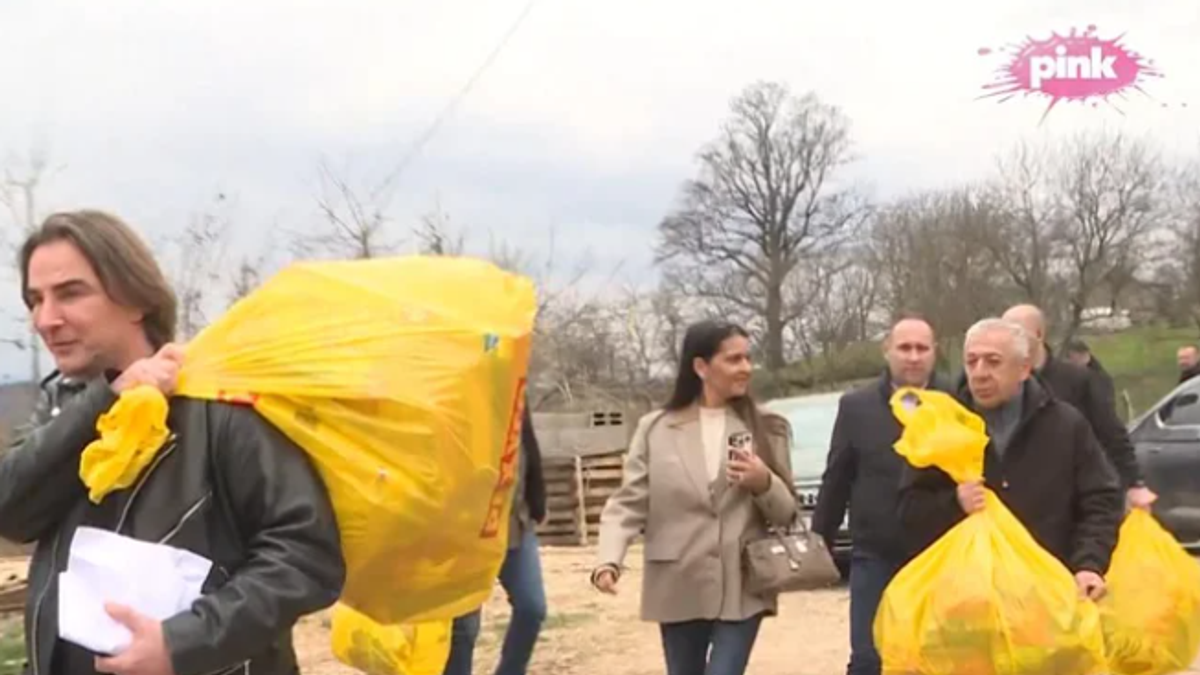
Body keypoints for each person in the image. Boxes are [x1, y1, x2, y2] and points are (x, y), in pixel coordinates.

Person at [0, 211, 345, 675]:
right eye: (34, 299)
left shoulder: (223, 403)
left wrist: (183, 644)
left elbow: (307, 556)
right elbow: (12, 511)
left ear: (136, 299)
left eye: (70, 293)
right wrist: (107, 399)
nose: (46, 319)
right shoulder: (64, 407)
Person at [590, 320, 796, 675]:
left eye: (748, 358)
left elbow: (787, 515)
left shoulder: (768, 427)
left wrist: (763, 482)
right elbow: (629, 502)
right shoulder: (655, 429)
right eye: (733, 359)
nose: (745, 368)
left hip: (743, 585)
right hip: (677, 582)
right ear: (701, 367)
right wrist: (609, 559)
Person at [899, 318, 1123, 599]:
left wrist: (1089, 564)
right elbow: (908, 513)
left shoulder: (1065, 425)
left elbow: (1101, 501)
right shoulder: (941, 429)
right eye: (972, 362)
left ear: (1024, 368)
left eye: (993, 362)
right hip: (969, 601)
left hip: (1051, 596)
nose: (979, 373)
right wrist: (954, 503)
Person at [812, 315, 946, 675]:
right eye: (905, 348)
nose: (913, 357)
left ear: (935, 353)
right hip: (875, 552)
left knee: (938, 656)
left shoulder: (956, 401)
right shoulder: (857, 407)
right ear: (887, 351)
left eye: (922, 348)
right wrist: (819, 537)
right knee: (870, 658)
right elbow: (838, 475)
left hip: (940, 553)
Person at [1000, 304, 1155, 510]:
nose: (1008, 340)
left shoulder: (1078, 380)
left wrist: (1134, 483)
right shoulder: (998, 384)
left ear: (1038, 334)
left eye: (1016, 332)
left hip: (1071, 496)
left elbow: (1109, 430)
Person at [443, 400, 548, 675]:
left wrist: (537, 499)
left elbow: (528, 443)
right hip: (464, 530)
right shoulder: (456, 389)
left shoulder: (511, 384)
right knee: (463, 626)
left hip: (514, 523)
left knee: (532, 607)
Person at [1062, 339, 1117, 413]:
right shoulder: (1077, 375)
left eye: (1070, 357)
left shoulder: (1099, 379)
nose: (1068, 362)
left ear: (1084, 355)